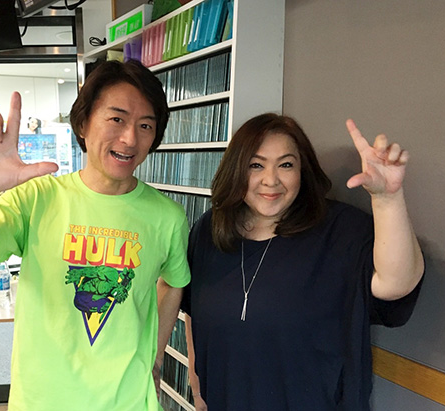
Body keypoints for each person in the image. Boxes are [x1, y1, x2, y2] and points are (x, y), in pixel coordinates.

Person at [0, 60, 191, 410]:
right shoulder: (37, 198)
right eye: (116, 119)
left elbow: (173, 282)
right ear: (84, 123)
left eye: (145, 125)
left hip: (129, 400)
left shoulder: (168, 218)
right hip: (43, 400)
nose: (130, 138)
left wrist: (156, 354)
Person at [181, 114, 425, 411]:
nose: (271, 180)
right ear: (236, 169)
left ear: (302, 170)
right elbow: (193, 310)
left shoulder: (339, 230)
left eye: (286, 165)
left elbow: (396, 284)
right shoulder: (210, 230)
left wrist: (388, 199)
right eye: (256, 165)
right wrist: (197, 384)